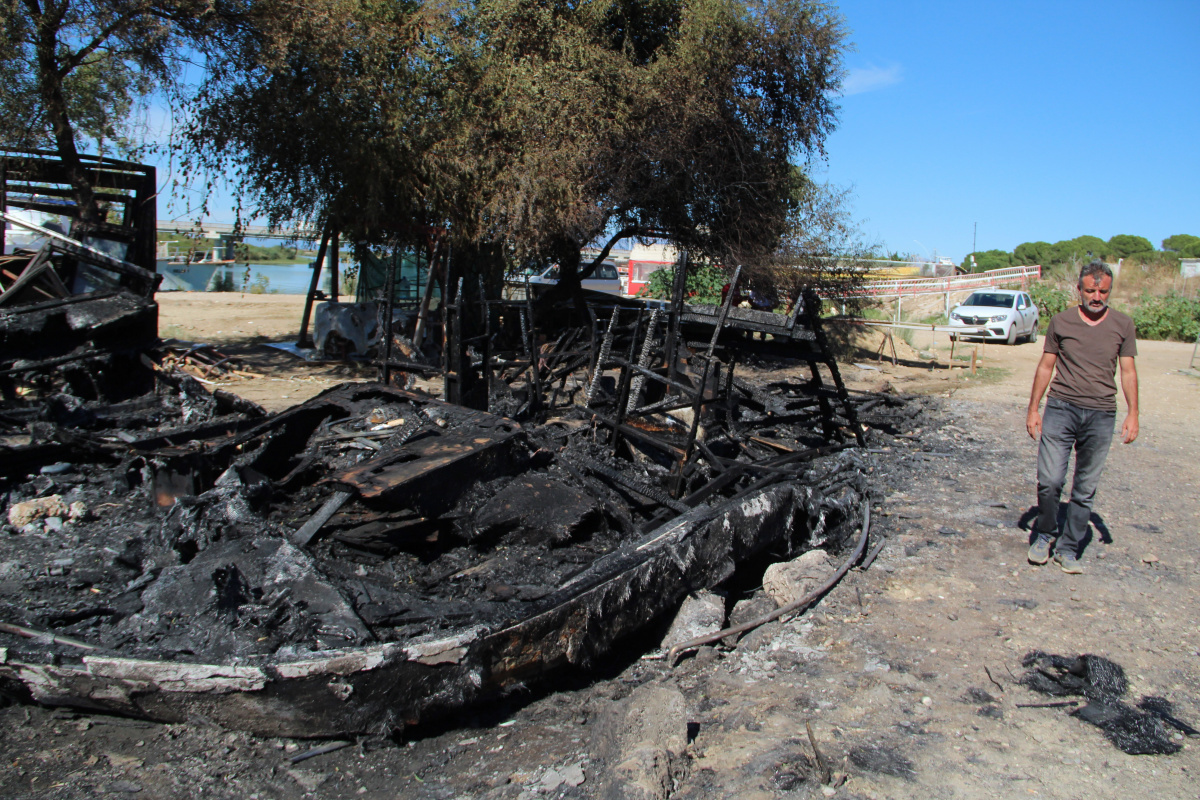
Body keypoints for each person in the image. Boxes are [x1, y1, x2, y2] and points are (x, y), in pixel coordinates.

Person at [1025, 261, 1138, 573]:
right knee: (1049, 481)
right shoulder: (1061, 322)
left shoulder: (1123, 324)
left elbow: (1128, 371)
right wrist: (1033, 408)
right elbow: (1046, 366)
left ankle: (1069, 548)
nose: (1097, 296)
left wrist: (1134, 414)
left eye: (1103, 291)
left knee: (1084, 488)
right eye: (1091, 290)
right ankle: (1044, 534)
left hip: (1101, 414)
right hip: (1061, 408)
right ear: (1079, 290)